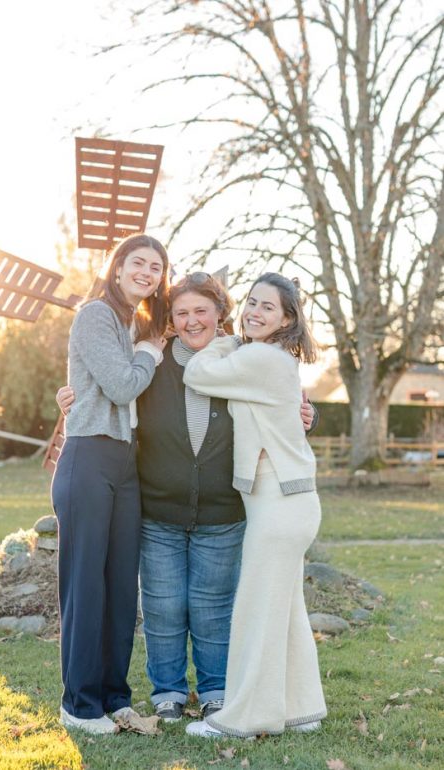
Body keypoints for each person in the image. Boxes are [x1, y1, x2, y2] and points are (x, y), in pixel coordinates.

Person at [56, 272, 317, 726]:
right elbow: (108, 386)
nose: (193, 320)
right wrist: (69, 398)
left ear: (221, 314)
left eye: (202, 311)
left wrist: (305, 414)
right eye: (182, 313)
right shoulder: (151, 364)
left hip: (223, 509)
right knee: (162, 605)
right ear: (171, 321)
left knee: (214, 606)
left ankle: (215, 690)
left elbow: (275, 407)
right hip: (160, 507)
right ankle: (169, 692)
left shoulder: (244, 358)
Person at [183, 272, 326, 738]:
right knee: (284, 610)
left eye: (268, 307)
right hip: (286, 500)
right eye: (252, 302)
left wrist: (226, 339)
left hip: (281, 502)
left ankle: (246, 718)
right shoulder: (271, 358)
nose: (254, 312)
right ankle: (302, 710)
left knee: (257, 611)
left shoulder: (261, 357)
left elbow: (197, 373)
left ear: (286, 320)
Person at [51, 233, 169, 735]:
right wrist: (148, 354)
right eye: (138, 262)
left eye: (157, 267)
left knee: (122, 587)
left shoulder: (136, 323)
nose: (147, 271)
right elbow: (122, 386)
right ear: (117, 267)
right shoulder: (96, 314)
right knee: (86, 587)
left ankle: (114, 697)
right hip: (89, 458)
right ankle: (79, 705)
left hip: (125, 463)